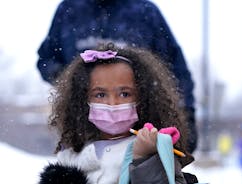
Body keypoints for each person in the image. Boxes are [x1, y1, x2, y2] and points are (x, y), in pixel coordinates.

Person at [28, 43, 198, 184]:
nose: (112, 103)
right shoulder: (71, 155)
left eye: (124, 94)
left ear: (143, 98)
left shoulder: (154, 148)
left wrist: (145, 160)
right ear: (82, 100)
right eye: (100, 94)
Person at [37, 0, 197, 153]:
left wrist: (186, 118)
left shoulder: (146, 12)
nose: (111, 104)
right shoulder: (68, 10)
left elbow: (176, 72)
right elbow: (46, 60)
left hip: (139, 134)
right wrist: (75, 82)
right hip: (82, 131)